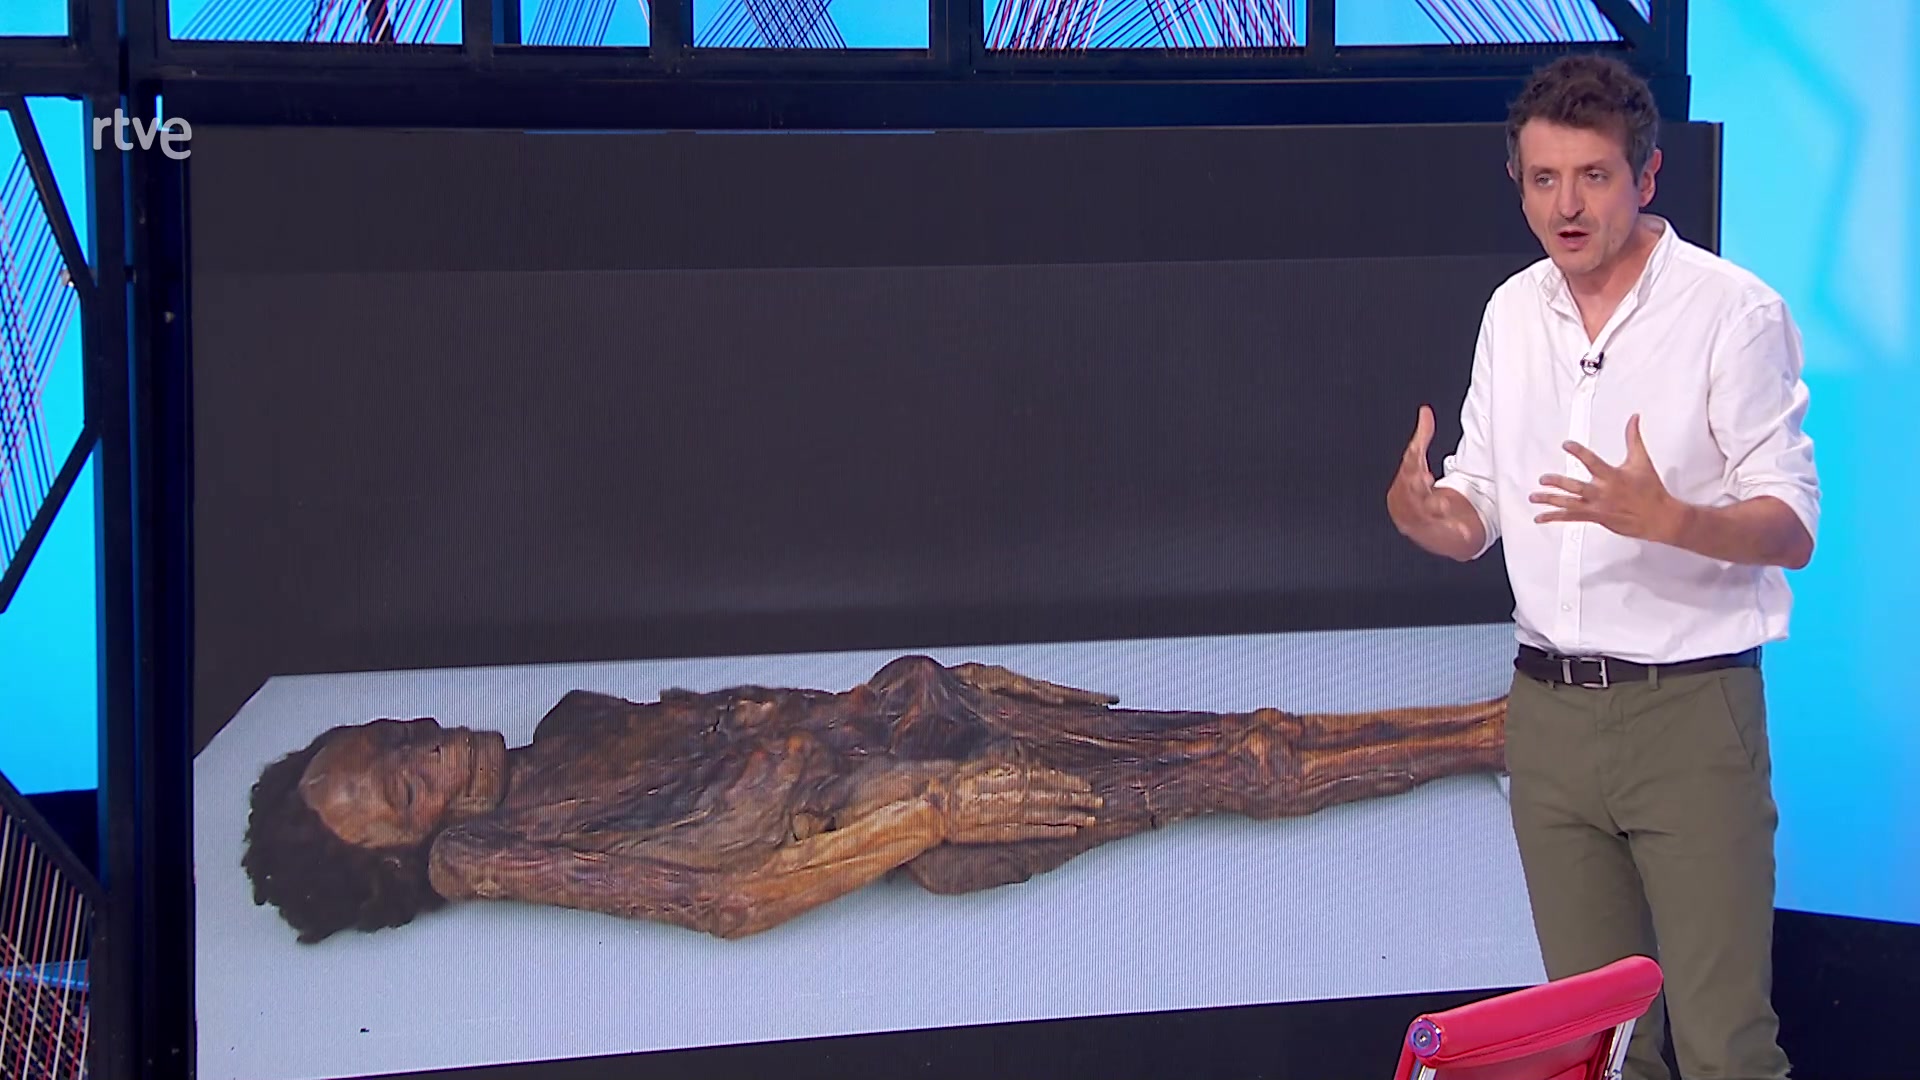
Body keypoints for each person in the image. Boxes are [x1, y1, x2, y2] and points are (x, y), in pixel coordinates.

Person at [1387, 53, 1817, 1080]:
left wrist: (1669, 518)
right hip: (1549, 720)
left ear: (1647, 175)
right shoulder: (1511, 311)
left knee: (1724, 1046)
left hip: (1690, 716)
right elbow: (1480, 506)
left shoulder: (1732, 313)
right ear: (1518, 183)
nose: (1567, 206)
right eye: (1544, 179)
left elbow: (1792, 525)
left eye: (1593, 177)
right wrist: (1426, 513)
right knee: (1596, 1049)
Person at [243, 654, 1507, 943]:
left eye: (396, 736)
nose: (425, 744)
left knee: (1250, 739)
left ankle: (1495, 726)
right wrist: (935, 816)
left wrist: (935, 682)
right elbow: (731, 902)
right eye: (402, 783)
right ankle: (1495, 738)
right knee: (1244, 768)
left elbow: (775, 725)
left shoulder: (567, 730)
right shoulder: (495, 850)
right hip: (924, 802)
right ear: (410, 853)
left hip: (911, 722)